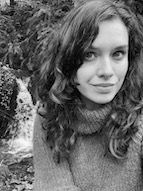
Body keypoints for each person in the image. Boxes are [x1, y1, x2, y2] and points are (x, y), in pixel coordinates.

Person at [33, 0, 143, 190]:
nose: (107, 71)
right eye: (89, 54)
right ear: (66, 58)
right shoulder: (49, 114)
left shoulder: (138, 120)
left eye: (118, 53)